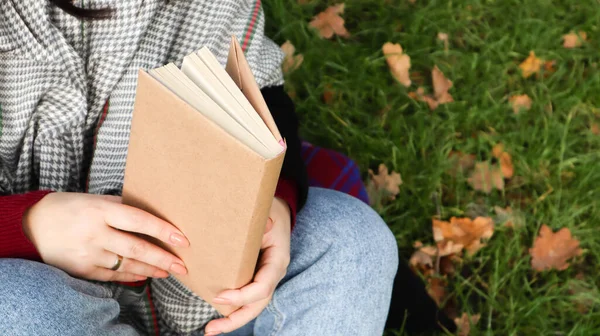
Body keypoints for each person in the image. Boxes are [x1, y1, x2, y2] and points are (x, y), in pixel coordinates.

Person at [0, 1, 399, 335]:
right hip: (43, 297)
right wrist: (27, 225)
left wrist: (272, 201)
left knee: (350, 240)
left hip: (206, 296)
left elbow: (261, 97)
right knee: (17, 304)